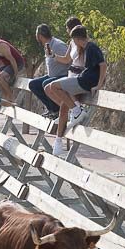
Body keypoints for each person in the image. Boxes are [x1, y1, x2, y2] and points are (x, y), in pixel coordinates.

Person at [44, 25, 106, 157]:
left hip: (85, 81)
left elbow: (103, 65)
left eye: (74, 40)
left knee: (54, 86)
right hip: (80, 78)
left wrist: (99, 85)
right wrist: (53, 56)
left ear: (77, 38)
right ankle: (75, 111)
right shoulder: (84, 47)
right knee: (50, 88)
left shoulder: (91, 47)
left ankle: (77, 111)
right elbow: (67, 59)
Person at [30, 24, 70, 118]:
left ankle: (57, 110)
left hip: (63, 75)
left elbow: (69, 61)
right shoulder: (47, 45)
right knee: (33, 84)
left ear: (39, 36)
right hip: (53, 75)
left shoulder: (58, 45)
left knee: (46, 83)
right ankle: (51, 109)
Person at [0, 28, 25, 103]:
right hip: (7, 64)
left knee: (1, 77)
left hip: (17, 63)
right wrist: (1, 68)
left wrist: (16, 74)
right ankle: (5, 94)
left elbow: (12, 60)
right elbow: (2, 61)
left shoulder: (1, 45)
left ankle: (11, 97)